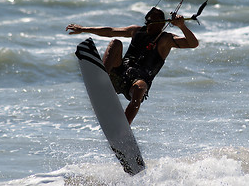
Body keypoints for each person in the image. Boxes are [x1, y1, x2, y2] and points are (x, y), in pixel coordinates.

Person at [66, 7, 199, 124]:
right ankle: (103, 80)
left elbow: (193, 43)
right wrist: (83, 29)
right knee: (115, 43)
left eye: (155, 21)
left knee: (140, 88)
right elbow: (110, 31)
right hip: (120, 72)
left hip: (138, 80)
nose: (150, 25)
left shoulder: (166, 39)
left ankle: (122, 127)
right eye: (149, 21)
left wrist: (182, 26)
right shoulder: (136, 31)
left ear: (163, 23)